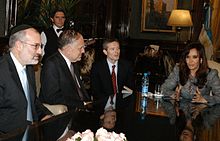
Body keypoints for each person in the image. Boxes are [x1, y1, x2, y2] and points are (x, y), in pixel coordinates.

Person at [39, 29, 98, 132]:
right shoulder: (52, 64)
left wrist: (89, 103)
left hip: (79, 113)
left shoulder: (74, 62)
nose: (83, 51)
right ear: (69, 49)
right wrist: (81, 104)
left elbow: (79, 89)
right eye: (81, 48)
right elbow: (52, 97)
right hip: (62, 119)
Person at [0, 24, 52, 134]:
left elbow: (31, 99)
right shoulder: (2, 71)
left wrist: (45, 114)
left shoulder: (29, 68)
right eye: (35, 46)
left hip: (32, 132)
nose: (40, 52)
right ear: (19, 45)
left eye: (40, 46)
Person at [90, 39, 135, 136]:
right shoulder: (97, 67)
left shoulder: (127, 65)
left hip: (123, 102)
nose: (117, 51)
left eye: (118, 48)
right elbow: (95, 90)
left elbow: (130, 87)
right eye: (113, 49)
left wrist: (119, 98)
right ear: (105, 52)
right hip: (102, 102)